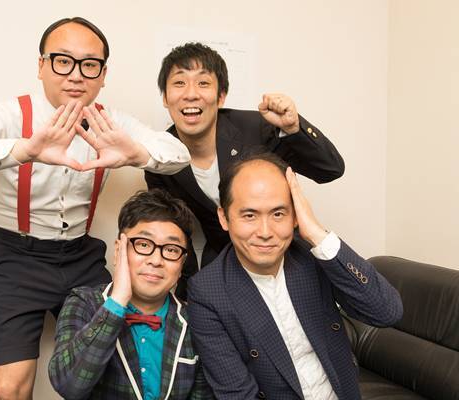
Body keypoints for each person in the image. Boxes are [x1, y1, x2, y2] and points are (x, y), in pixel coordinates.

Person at [0, 17, 190, 400]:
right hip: (13, 256)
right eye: (63, 61)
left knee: (111, 363)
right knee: (11, 388)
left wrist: (136, 153)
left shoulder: (109, 122)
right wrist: (22, 150)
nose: (76, 75)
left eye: (89, 65)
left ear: (103, 74)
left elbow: (178, 154)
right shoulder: (10, 115)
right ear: (41, 66)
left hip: (81, 255)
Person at [187, 153, 403, 399]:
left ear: (295, 215)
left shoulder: (313, 255)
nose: (265, 232)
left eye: (278, 214)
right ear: (224, 218)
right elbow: (237, 394)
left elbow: (387, 312)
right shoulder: (207, 291)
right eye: (249, 215)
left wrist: (317, 234)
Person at [145, 42, 345, 298]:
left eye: (203, 83)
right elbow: (175, 229)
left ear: (221, 96)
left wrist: (293, 128)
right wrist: (185, 294)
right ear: (165, 97)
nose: (191, 94)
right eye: (179, 83)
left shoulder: (256, 127)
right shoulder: (159, 156)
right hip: (222, 260)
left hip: (284, 256)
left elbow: (330, 170)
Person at [48, 189, 212, 399]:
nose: (156, 260)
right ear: (119, 250)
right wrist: (117, 302)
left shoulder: (196, 320)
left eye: (171, 249)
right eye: (143, 244)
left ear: (182, 263)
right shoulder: (83, 303)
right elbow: (69, 385)